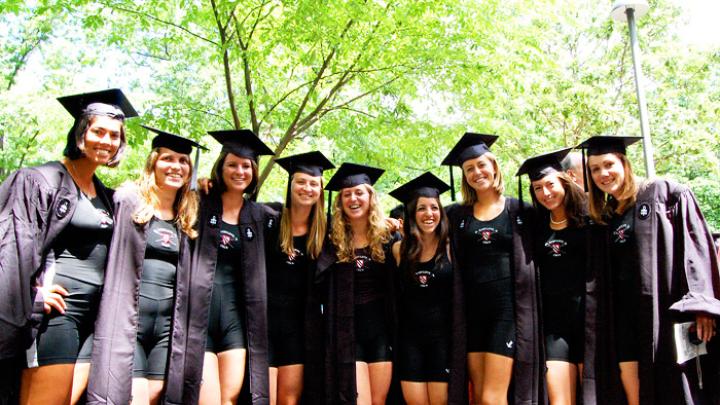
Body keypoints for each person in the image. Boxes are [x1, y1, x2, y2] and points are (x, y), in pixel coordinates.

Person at [0, 89, 136, 405]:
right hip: (56, 319)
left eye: (114, 135)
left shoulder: (104, 194)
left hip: (94, 322)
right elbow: (9, 248)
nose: (106, 140)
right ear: (80, 132)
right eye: (98, 131)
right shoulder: (40, 181)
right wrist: (32, 296)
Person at [579, 135, 720, 405]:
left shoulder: (663, 193)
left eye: (608, 165)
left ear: (624, 163)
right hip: (623, 319)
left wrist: (702, 304)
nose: (602, 174)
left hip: (662, 314)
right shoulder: (605, 216)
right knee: (633, 392)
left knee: (674, 386)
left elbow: (695, 247)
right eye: (595, 169)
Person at [86, 126, 205, 405]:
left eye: (183, 161)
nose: (175, 166)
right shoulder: (127, 200)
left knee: (155, 398)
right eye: (168, 159)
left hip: (167, 329)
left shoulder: (188, 216)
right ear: (153, 162)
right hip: (129, 321)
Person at [440, 132, 543, 405]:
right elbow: (421, 227)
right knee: (479, 394)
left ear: (495, 167)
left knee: (491, 397)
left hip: (506, 312)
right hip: (472, 314)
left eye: (482, 165)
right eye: (469, 169)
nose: (477, 172)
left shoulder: (521, 210)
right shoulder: (455, 214)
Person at [195, 129, 277, 405]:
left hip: (236, 322)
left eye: (246, 166)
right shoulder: (199, 203)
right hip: (199, 317)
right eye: (232, 164)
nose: (239, 171)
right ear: (221, 167)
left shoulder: (260, 215)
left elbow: (302, 220)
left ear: (253, 171)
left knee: (230, 399)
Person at [314, 163, 396, 405]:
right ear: (340, 202)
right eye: (347, 194)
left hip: (381, 331)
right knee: (357, 399)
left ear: (371, 196)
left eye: (359, 192)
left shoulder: (390, 237)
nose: (353, 198)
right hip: (348, 332)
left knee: (380, 401)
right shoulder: (333, 240)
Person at [517, 148, 588, 405]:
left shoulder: (590, 220)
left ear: (565, 180)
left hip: (588, 320)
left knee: (591, 395)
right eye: (537, 188)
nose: (545, 193)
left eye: (550, 184)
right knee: (559, 398)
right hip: (554, 326)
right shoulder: (535, 227)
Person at [267, 151, 334, 405]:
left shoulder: (327, 230)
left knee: (290, 398)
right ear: (290, 184)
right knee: (264, 397)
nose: (307, 188)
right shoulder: (269, 219)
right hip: (265, 324)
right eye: (301, 181)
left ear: (321, 189)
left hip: (300, 327)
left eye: (313, 183)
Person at [388, 172, 461, 405]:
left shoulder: (452, 249)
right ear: (412, 213)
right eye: (421, 208)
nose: (429, 214)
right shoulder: (399, 250)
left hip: (443, 341)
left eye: (434, 207)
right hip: (410, 342)